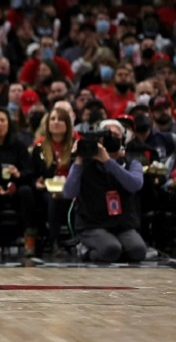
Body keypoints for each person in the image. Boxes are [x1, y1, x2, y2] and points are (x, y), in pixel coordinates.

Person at [63, 119, 146, 263]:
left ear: (123, 139)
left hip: (122, 225)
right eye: (108, 134)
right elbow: (69, 193)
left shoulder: (132, 163)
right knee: (110, 249)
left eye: (115, 134)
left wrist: (108, 161)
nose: (111, 137)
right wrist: (79, 160)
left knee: (138, 251)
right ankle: (83, 250)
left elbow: (135, 184)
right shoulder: (84, 163)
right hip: (92, 224)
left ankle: (115, 250)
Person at [0, 107, 36, 257]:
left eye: (3, 120)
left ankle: (30, 239)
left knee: (26, 191)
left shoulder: (19, 146)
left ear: (9, 124)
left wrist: (18, 174)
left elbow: (29, 171)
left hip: (16, 187)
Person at [31, 107, 77, 253]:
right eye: (52, 119)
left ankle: (78, 238)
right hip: (48, 189)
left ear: (67, 124)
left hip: (72, 189)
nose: (56, 122)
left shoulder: (76, 145)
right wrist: (36, 182)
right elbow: (33, 172)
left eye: (60, 119)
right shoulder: (39, 147)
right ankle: (54, 241)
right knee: (53, 199)